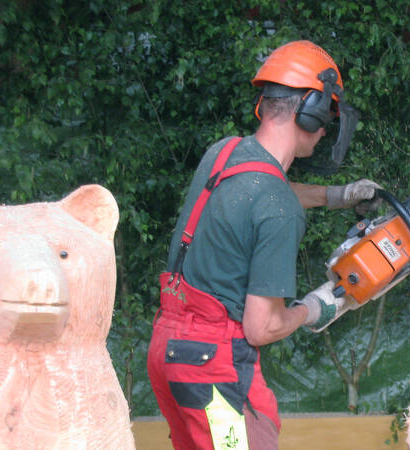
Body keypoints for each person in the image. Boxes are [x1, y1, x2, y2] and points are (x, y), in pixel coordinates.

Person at [147, 40, 375, 450]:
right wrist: (315, 307)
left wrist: (337, 195)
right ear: (312, 112)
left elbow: (261, 187)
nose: (325, 130)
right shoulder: (278, 208)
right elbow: (261, 326)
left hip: (168, 349)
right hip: (211, 371)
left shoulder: (224, 152)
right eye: (327, 116)